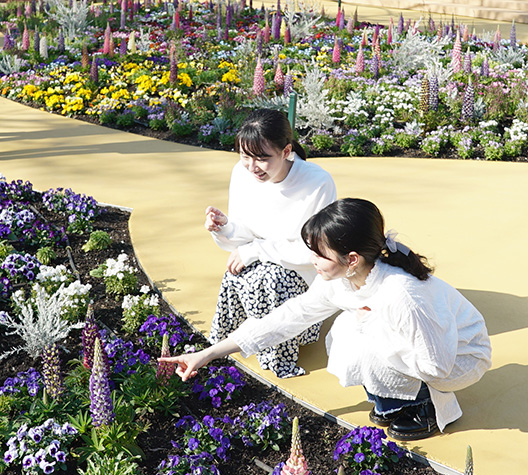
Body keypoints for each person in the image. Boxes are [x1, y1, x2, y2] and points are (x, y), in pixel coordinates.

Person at [164, 199, 492, 441]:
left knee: (360, 334)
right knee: (347, 330)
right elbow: (288, 318)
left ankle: (422, 407)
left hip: (459, 356)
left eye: (320, 254)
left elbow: (437, 365)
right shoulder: (342, 280)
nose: (312, 261)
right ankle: (394, 399)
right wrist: (207, 354)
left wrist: (373, 328)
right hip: (421, 345)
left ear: (352, 259)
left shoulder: (401, 294)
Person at [205, 109, 336, 379]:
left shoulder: (317, 182)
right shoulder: (242, 173)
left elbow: (314, 251)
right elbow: (244, 236)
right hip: (262, 257)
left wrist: (255, 250)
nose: (252, 166)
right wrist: (224, 227)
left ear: (286, 151)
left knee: (273, 279)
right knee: (237, 270)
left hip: (303, 269)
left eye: (262, 158)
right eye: (245, 156)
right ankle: (231, 342)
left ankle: (280, 352)